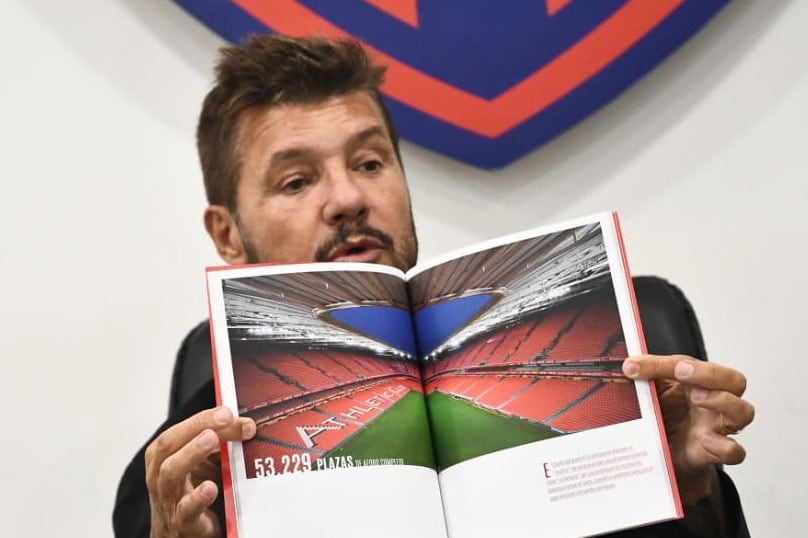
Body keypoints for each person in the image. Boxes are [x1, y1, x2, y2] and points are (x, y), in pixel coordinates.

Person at [113, 35, 754, 537]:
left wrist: (683, 491)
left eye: (369, 162)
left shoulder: (613, 379)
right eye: (297, 181)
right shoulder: (176, 482)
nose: (348, 199)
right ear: (227, 235)